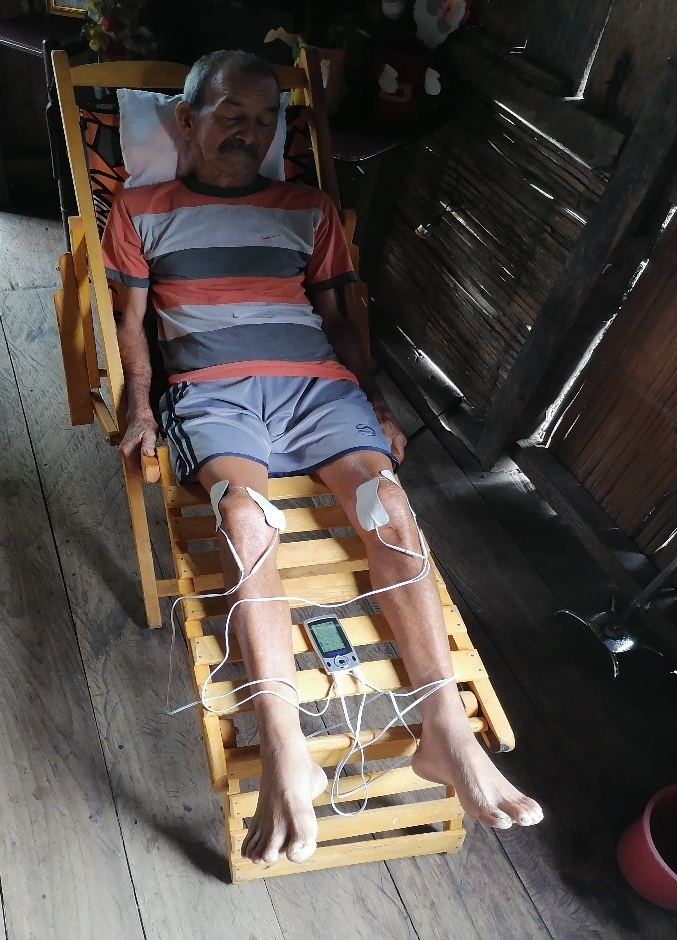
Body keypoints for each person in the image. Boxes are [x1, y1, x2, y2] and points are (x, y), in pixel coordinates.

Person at [102, 49, 543, 867]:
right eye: (231, 114)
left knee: (389, 507)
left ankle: (444, 729)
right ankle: (284, 744)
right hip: (213, 393)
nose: (249, 131)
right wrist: (139, 404)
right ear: (187, 121)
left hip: (317, 388)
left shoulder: (308, 208)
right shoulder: (140, 208)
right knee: (245, 520)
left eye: (265, 118)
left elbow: (341, 323)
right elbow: (130, 324)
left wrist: (375, 404)